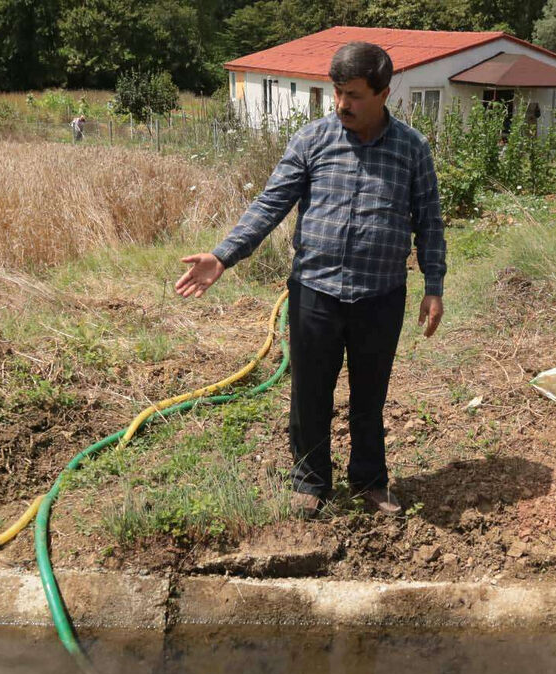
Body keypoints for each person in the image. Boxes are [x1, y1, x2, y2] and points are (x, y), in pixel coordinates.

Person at [176, 41, 446, 518]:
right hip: (314, 292)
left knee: (370, 394)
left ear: (385, 93)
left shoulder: (412, 149)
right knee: (310, 392)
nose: (342, 104)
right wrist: (223, 256)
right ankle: (310, 482)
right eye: (338, 92)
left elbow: (429, 221)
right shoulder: (311, 140)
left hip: (381, 296)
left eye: (355, 95)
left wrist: (433, 286)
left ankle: (369, 481)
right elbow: (269, 204)